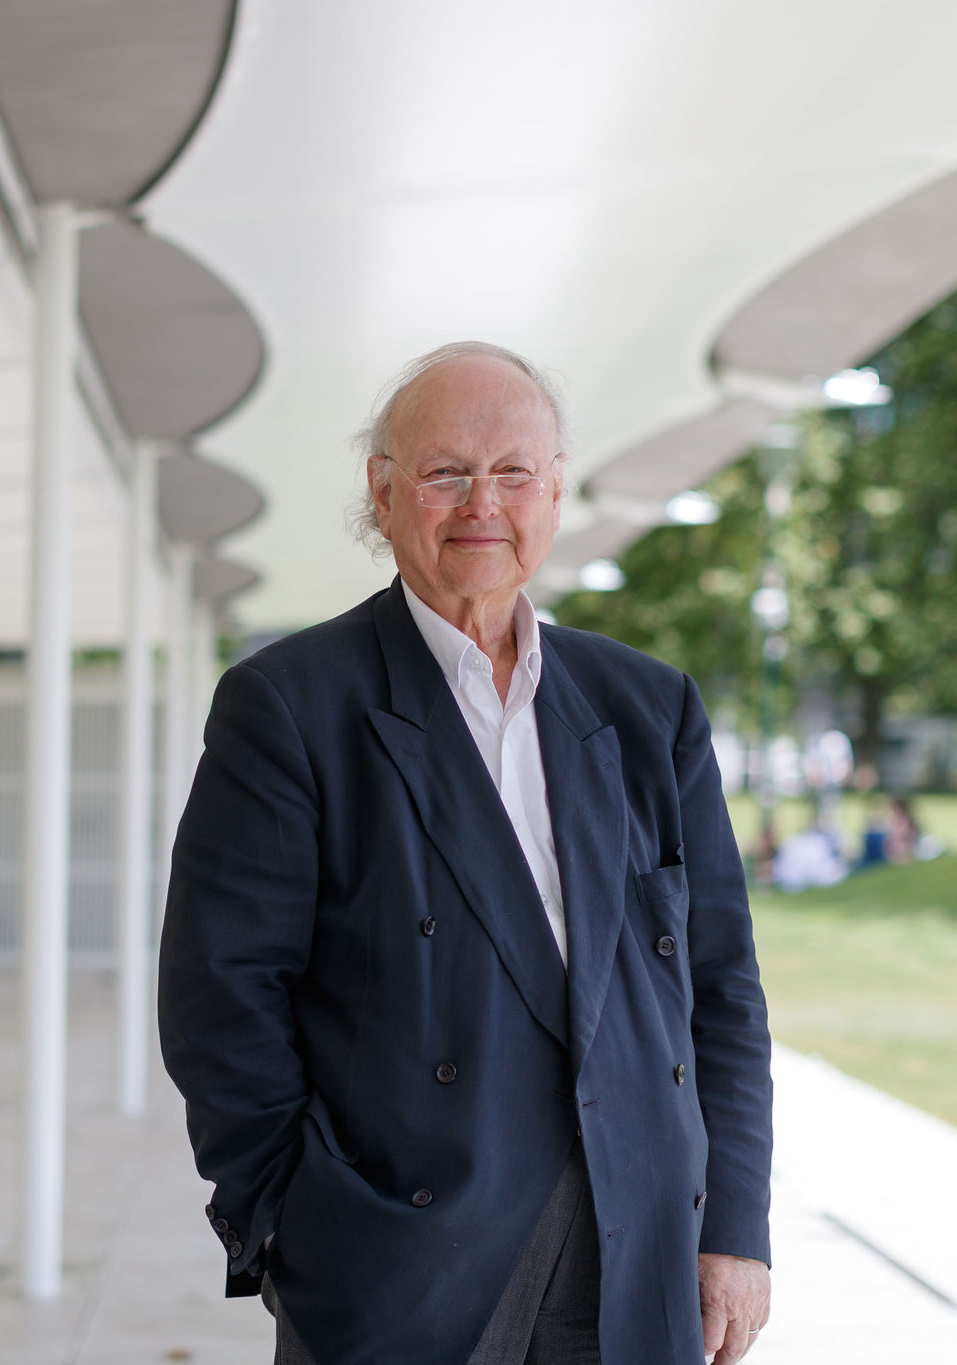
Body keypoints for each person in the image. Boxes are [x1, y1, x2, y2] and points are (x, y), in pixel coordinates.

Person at [158, 343, 774, 1365]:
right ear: (383, 490)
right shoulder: (291, 705)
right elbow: (220, 994)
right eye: (445, 472)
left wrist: (733, 1228)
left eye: (511, 472)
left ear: (554, 490)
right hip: (399, 1255)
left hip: (638, 1244)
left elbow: (720, 988)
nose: (479, 502)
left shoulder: (646, 706)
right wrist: (290, 1222)